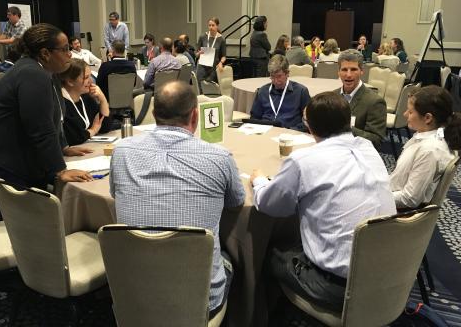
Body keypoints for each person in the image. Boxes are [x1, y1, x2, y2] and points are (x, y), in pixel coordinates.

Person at [251, 92, 396, 312]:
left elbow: (269, 205)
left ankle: (274, 315)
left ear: (309, 127)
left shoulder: (303, 160)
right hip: (390, 274)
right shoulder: (367, 147)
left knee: (265, 252)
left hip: (338, 287)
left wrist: (259, 180)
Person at [110, 80, 245, 317]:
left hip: (133, 294)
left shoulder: (121, 151)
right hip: (199, 304)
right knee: (232, 258)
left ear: (153, 114)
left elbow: (114, 194)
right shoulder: (220, 157)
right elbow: (236, 203)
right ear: (195, 116)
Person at [0, 23, 93, 224]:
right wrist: (60, 170)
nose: (70, 54)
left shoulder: (40, 72)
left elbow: (52, 119)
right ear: (45, 53)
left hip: (7, 160)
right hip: (0, 165)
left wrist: (63, 148)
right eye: (65, 48)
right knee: (13, 233)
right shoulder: (32, 74)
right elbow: (39, 128)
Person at [390, 85, 461, 209]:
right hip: (391, 194)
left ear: (428, 118)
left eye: (410, 111)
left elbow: (410, 199)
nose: (405, 114)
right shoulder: (426, 136)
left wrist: (376, 196)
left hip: (395, 211)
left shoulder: (429, 150)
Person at [336, 49, 387, 149]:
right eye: (344, 69)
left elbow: (376, 140)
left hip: (358, 155)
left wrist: (345, 128)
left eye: (354, 69)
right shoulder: (333, 96)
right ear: (338, 72)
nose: (349, 75)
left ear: (362, 71)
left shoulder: (374, 102)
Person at [59, 59, 111, 146]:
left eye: (90, 76)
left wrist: (102, 99)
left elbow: (105, 127)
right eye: (86, 77)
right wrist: (93, 130)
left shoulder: (85, 98)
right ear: (70, 82)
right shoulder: (61, 104)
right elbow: (73, 137)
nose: (91, 81)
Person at [250, 54, 310, 130]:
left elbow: (309, 121)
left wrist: (292, 130)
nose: (275, 81)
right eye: (272, 76)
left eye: (279, 76)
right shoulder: (263, 91)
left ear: (287, 73)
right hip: (265, 132)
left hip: (290, 134)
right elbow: (254, 118)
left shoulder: (301, 92)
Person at [196, 17, 227, 88]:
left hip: (213, 68)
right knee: (200, 88)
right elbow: (196, 54)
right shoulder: (202, 37)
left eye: (213, 25)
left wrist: (221, 63)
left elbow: (224, 56)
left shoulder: (221, 39)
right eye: (209, 25)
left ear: (217, 26)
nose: (211, 27)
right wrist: (199, 53)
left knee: (211, 89)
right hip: (202, 67)